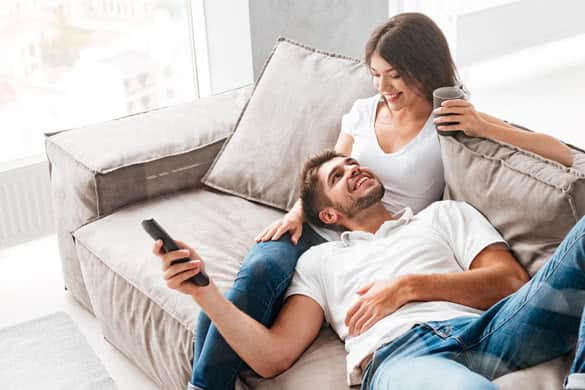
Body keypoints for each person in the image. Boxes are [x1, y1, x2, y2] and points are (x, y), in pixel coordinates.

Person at [190, 12, 575, 390]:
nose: (384, 87)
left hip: (447, 287)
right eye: (376, 75)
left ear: (423, 69)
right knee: (253, 277)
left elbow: (561, 158)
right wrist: (296, 214)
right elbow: (330, 167)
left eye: (394, 75)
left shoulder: (446, 177)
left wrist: (481, 126)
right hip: (372, 294)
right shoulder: (361, 120)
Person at [155, 151, 585, 390]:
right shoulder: (318, 261)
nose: (354, 169)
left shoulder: (444, 215)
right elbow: (272, 357)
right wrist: (203, 291)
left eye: (353, 164)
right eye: (337, 175)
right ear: (328, 215)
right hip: (402, 355)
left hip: (495, 328)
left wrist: (408, 287)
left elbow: (511, 283)